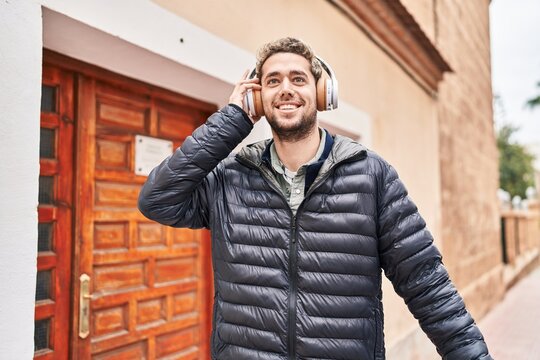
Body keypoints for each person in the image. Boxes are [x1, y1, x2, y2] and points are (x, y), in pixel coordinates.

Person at [138, 37, 492, 360]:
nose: (285, 89)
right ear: (257, 96)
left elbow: (426, 282)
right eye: (272, 81)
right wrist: (234, 119)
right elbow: (157, 199)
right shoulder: (230, 179)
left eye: (298, 79)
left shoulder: (372, 176)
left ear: (323, 93)